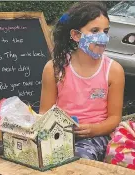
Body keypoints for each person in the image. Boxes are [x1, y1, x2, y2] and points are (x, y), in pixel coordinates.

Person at [39, 2, 125, 161]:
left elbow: (114, 118)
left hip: (97, 136)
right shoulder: (54, 68)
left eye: (105, 31)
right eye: (94, 31)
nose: (102, 37)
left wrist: (93, 129)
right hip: (59, 134)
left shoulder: (114, 71)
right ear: (76, 35)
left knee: (79, 158)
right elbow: (44, 114)